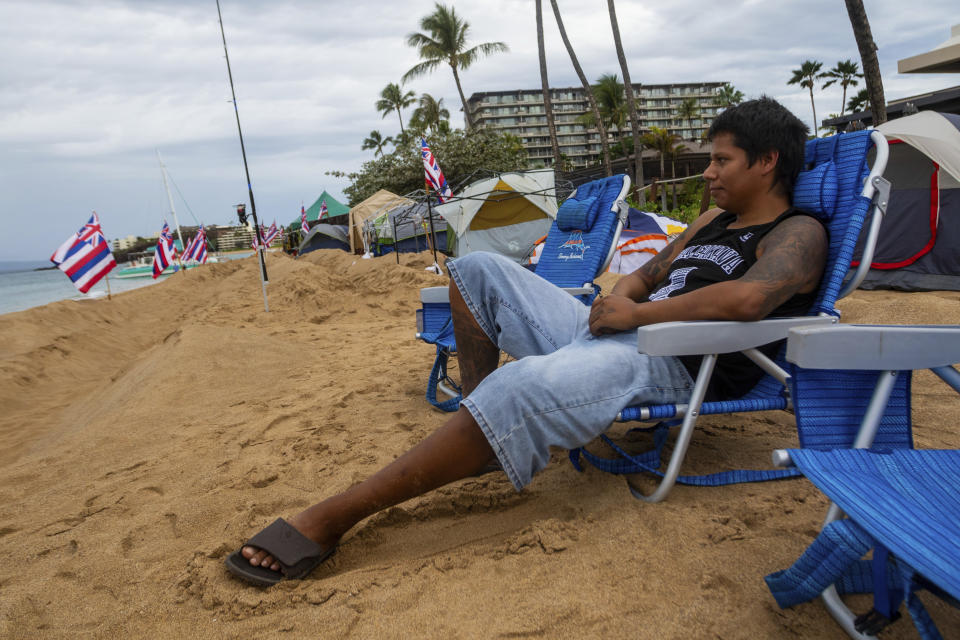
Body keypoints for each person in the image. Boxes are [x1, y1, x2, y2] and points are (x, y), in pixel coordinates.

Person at [225, 97, 827, 586]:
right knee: (476, 269)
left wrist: (638, 317)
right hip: (624, 332)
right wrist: (620, 299)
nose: (709, 171)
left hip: (679, 362)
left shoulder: (799, 232)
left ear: (768, 161)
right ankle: (484, 425)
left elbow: (751, 300)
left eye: (722, 161)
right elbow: (645, 274)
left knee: (523, 383)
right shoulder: (709, 222)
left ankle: (333, 519)